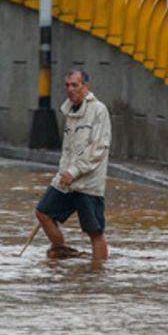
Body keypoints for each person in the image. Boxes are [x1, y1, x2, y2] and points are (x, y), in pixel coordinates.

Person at [35, 70, 111, 260]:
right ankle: (61, 249)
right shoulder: (69, 111)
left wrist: (74, 171)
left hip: (88, 184)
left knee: (94, 232)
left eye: (75, 85)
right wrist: (62, 175)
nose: (70, 89)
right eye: (67, 85)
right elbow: (67, 151)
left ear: (85, 87)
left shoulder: (99, 111)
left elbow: (98, 149)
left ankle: (97, 274)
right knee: (43, 212)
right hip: (67, 181)